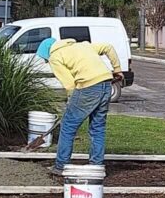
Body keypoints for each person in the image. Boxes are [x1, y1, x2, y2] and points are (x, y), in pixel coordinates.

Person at [35, 36, 123, 175]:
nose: (46, 61)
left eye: (44, 58)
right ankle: (96, 166)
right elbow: (108, 47)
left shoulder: (55, 57)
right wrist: (117, 69)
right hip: (106, 83)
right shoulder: (83, 45)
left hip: (88, 87)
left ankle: (61, 166)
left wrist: (71, 100)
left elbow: (69, 84)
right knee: (97, 128)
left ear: (47, 52)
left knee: (68, 126)